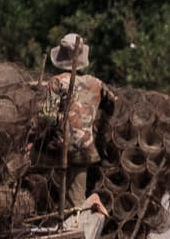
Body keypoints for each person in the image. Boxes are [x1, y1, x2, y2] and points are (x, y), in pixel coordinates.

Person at [38, 32, 113, 206]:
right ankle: (75, 217)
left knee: (24, 160)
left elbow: (46, 118)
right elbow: (112, 103)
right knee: (76, 199)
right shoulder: (96, 83)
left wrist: (62, 118)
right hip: (86, 150)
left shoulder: (56, 82)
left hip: (59, 149)